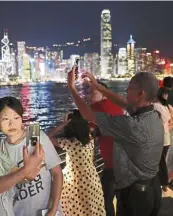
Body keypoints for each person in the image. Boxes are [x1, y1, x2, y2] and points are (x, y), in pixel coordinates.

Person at [68, 68, 164, 216]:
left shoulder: (131, 125)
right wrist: (99, 88)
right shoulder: (154, 115)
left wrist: (72, 88)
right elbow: (126, 104)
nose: (126, 91)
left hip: (135, 195)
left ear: (141, 93)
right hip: (153, 188)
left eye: (130, 88)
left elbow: (88, 114)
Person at [0, 97, 63, 216]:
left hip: (46, 212)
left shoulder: (34, 136)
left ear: (22, 118)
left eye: (16, 118)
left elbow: (57, 173)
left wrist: (53, 209)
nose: (11, 123)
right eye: (5, 119)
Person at [48, 109, 106, 216]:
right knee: (91, 209)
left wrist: (62, 124)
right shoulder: (90, 138)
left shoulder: (70, 143)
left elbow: (47, 138)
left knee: (75, 210)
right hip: (91, 179)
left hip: (75, 182)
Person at [88, 81, 124, 216]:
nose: (90, 95)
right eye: (89, 92)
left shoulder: (96, 107)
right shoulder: (116, 105)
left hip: (112, 162)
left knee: (105, 199)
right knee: (122, 199)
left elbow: (90, 133)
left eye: (93, 92)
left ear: (103, 93)